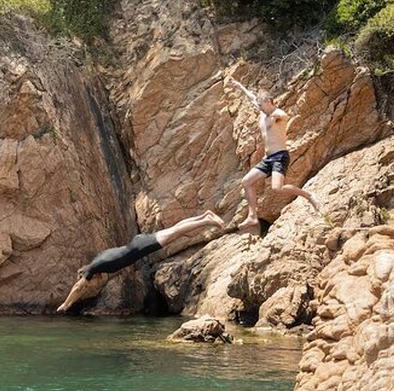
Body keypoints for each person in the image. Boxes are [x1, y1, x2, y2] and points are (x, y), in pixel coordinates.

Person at [57, 210, 228, 312]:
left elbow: (78, 287)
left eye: (89, 284)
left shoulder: (93, 268)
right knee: (175, 231)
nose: (91, 287)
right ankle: (205, 216)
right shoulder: (97, 262)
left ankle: (207, 220)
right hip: (137, 243)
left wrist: (66, 304)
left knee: (175, 233)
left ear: (87, 276)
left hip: (139, 247)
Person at [226, 77, 321, 230]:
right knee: (246, 182)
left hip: (280, 156)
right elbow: (251, 97)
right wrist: (238, 85)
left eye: (261, 104)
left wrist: (276, 116)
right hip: (268, 158)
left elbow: (284, 116)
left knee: (277, 188)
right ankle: (252, 217)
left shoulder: (276, 113)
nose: (259, 107)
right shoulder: (263, 113)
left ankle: (309, 195)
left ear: (269, 102)